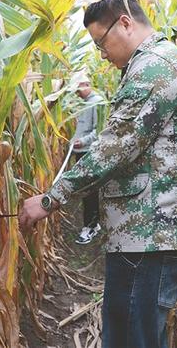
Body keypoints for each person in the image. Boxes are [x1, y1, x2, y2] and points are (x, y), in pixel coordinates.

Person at [19, 0, 177, 348]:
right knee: (127, 330)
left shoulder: (155, 67)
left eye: (101, 43)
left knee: (131, 336)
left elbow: (115, 148)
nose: (102, 54)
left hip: (154, 232)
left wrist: (51, 199)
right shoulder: (149, 64)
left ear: (125, 23)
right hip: (145, 232)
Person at [71, 77, 102, 244]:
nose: (76, 92)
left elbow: (100, 130)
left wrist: (82, 142)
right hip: (80, 151)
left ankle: (90, 226)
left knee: (89, 190)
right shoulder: (83, 103)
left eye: (78, 88)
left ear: (86, 85)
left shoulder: (96, 102)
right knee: (85, 189)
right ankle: (92, 224)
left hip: (89, 152)